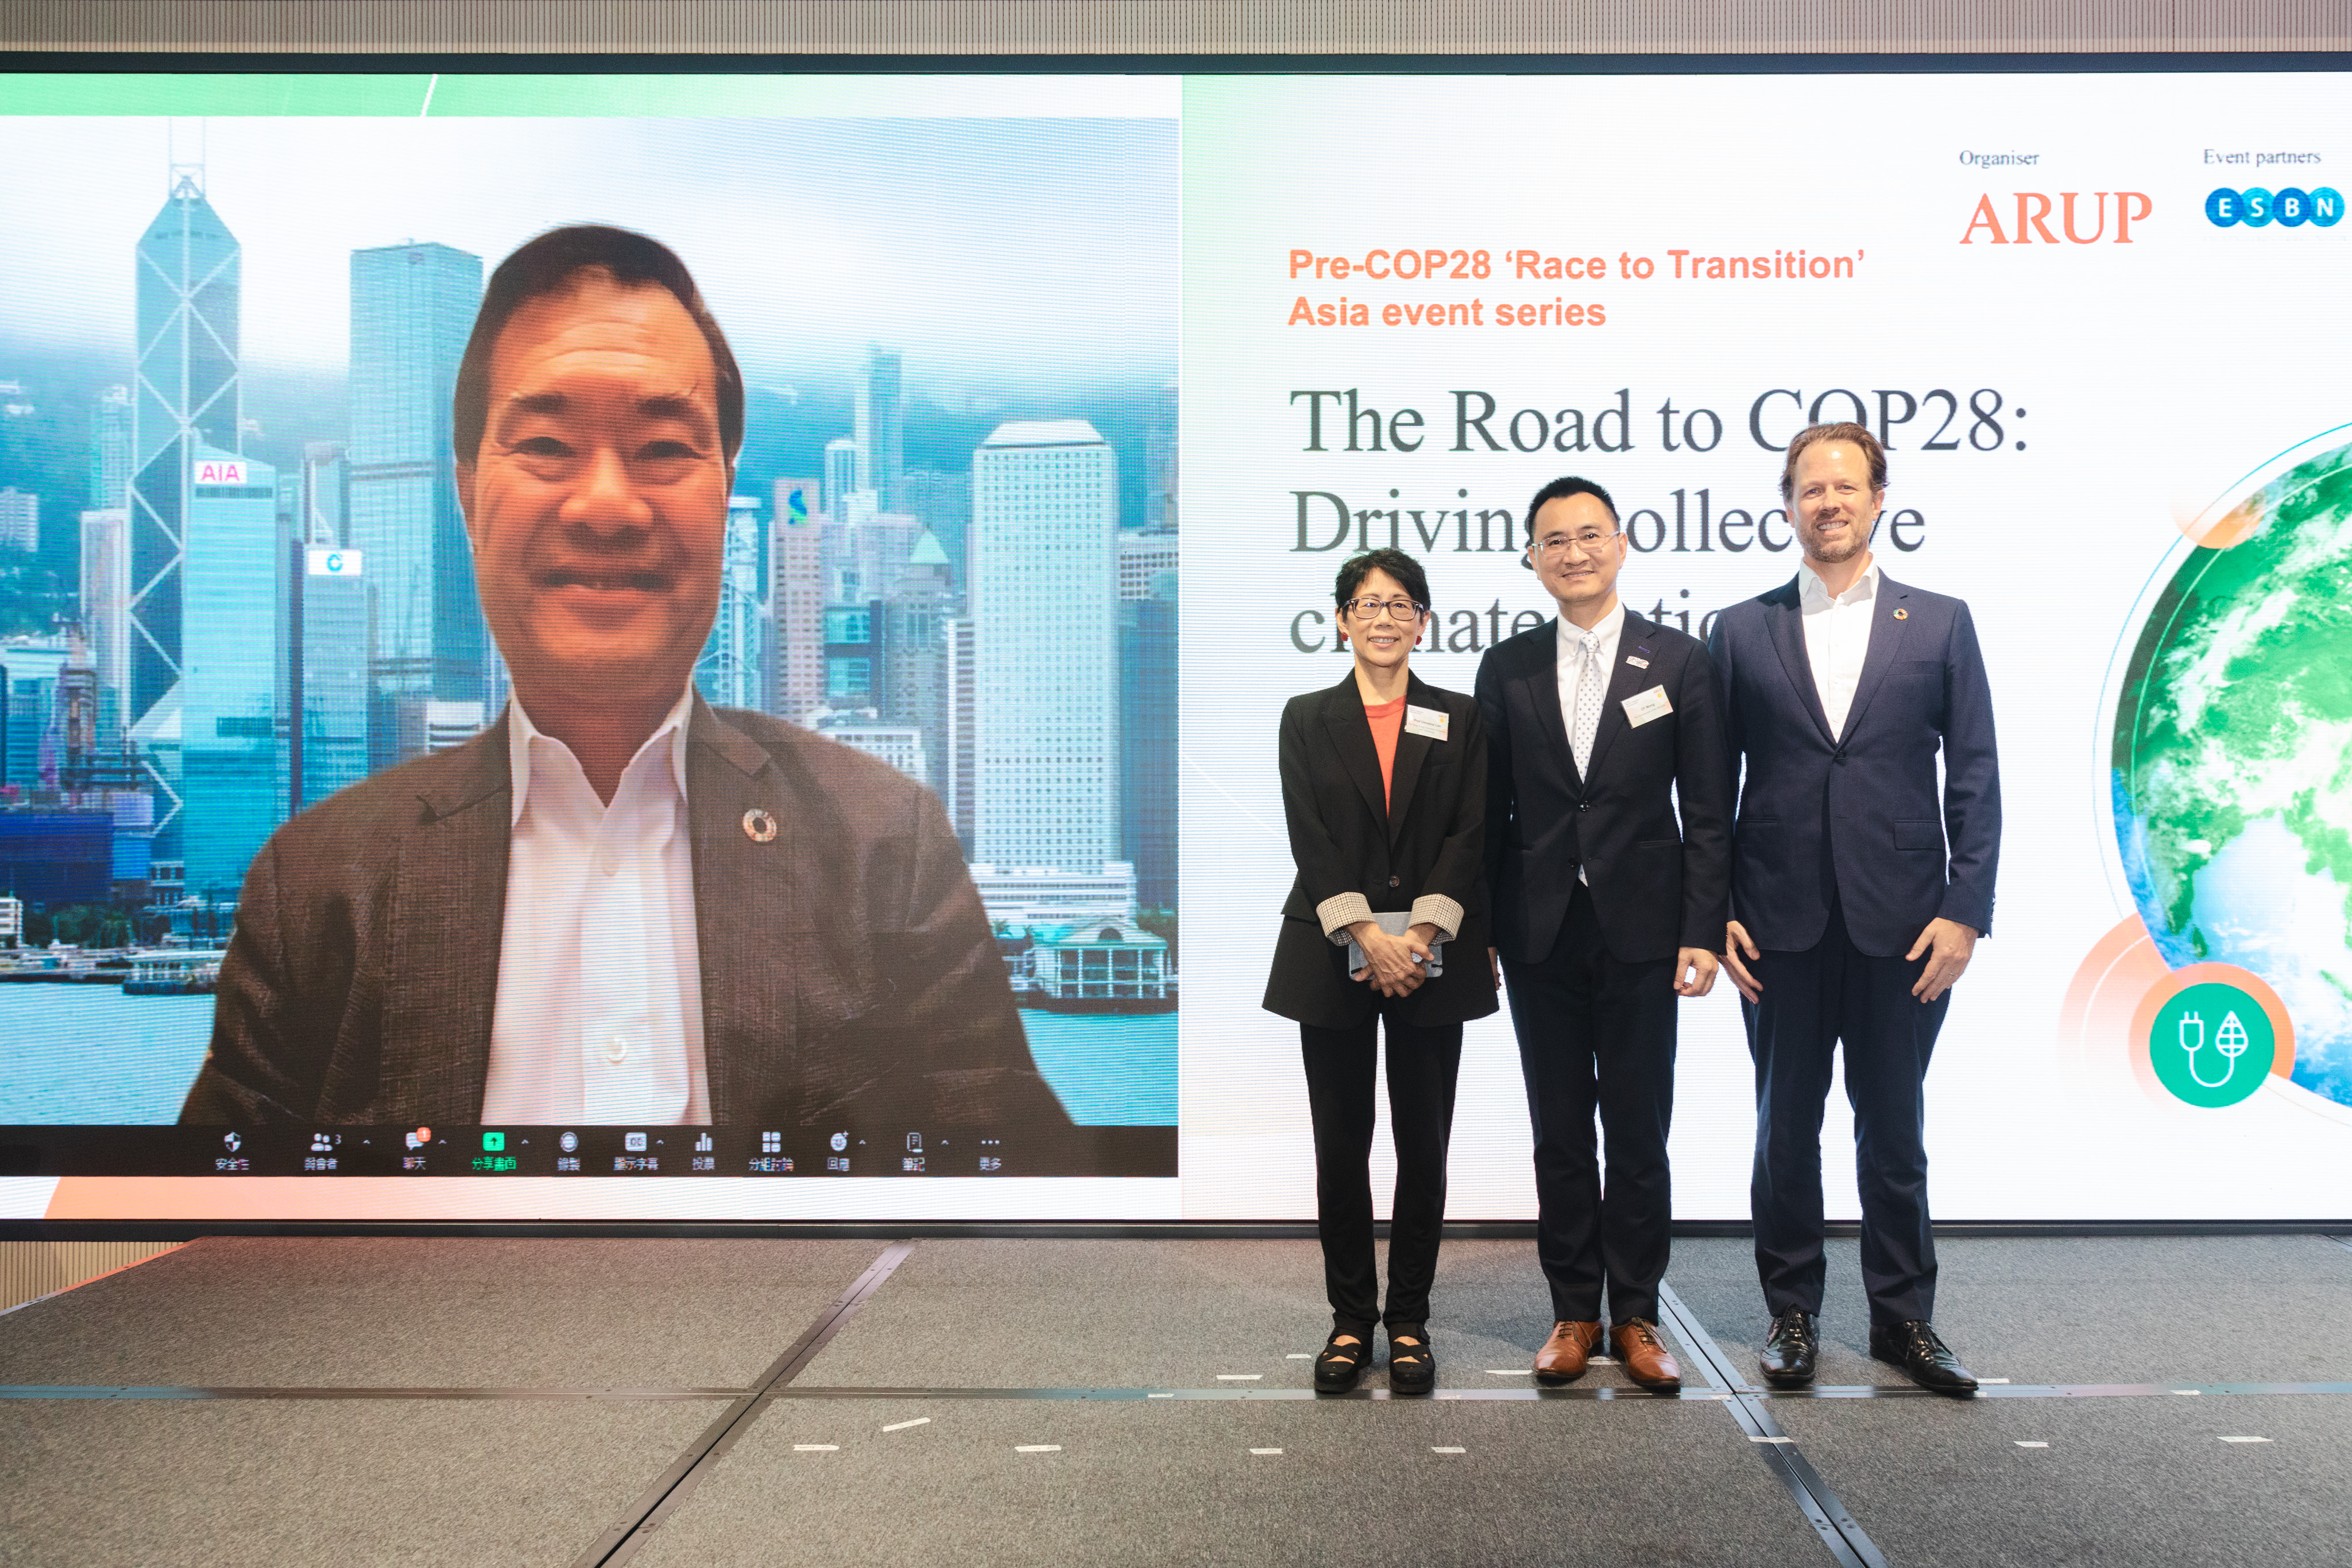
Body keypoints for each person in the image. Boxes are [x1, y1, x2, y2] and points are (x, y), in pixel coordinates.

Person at [181, 225, 1070, 1146]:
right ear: (467, 490)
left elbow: (1025, 1229)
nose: (606, 505)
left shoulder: (884, 847)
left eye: (661, 449)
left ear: (726, 492)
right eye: (548, 444)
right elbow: (206, 1254)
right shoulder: (323, 883)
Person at [1710, 421, 1999, 1395]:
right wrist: (1716, 909)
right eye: (1809, 489)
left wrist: (1967, 909)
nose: (1827, 502)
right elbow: (1708, 791)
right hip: (1778, 921)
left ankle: (1903, 1322)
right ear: (1787, 505)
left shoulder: (1943, 621)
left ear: (1881, 498)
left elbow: (1976, 775)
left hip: (1906, 925)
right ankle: (1791, 1314)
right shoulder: (1741, 629)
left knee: (1895, 1129)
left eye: (1845, 486)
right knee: (1783, 1131)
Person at [1475, 477, 1732, 1393]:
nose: (1574, 553)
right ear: (1534, 560)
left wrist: (1702, 926)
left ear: (1621, 545)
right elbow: (1488, 811)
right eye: (1554, 540)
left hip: (1644, 930)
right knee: (1558, 1131)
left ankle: (1638, 1315)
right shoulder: (1504, 668)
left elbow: (1707, 807)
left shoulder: (1681, 660)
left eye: (1590, 535)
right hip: (1539, 929)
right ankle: (1572, 1312)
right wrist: (1489, 930)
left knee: (1637, 1128)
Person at [1263, 548, 1494, 1393]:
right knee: (1342, 1146)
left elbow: (1472, 835)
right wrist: (1368, 933)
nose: (1385, 617)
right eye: (1368, 604)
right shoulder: (1305, 716)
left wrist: (1421, 935)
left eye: (1401, 604)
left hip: (1434, 956)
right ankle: (1349, 1321)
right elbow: (1310, 838)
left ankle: (1410, 1323)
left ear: (1423, 621)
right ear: (1341, 620)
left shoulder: (1461, 718)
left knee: (1423, 1148)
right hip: (1332, 956)